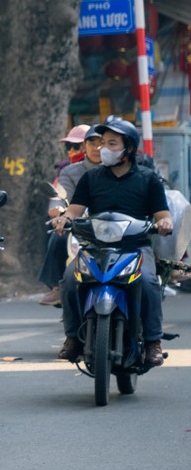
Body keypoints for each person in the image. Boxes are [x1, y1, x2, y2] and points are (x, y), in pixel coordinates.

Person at [55, 117, 172, 369]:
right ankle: (73, 337)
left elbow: (163, 215)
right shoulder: (91, 178)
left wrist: (164, 223)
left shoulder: (148, 179)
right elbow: (75, 210)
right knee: (69, 279)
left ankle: (153, 342)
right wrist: (65, 218)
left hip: (136, 247)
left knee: (148, 282)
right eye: (101, 143)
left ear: (128, 148)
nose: (102, 148)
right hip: (95, 247)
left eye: (111, 143)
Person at [40, 125, 100, 304]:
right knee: (59, 236)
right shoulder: (69, 171)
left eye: (102, 143)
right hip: (80, 224)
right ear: (85, 146)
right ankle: (58, 286)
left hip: (115, 226)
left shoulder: (120, 171)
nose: (97, 148)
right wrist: (58, 209)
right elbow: (60, 195)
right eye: (92, 143)